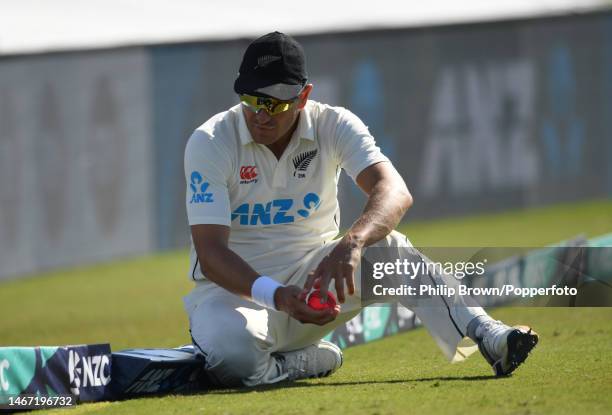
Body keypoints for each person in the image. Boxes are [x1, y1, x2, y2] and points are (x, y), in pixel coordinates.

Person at [182, 31, 538, 387]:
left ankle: (489, 335)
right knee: (234, 355)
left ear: (303, 96)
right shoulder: (211, 141)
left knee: (388, 248)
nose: (260, 114)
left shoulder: (334, 124)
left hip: (315, 284)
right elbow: (211, 255)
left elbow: (394, 190)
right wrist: (276, 296)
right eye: (250, 98)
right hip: (232, 296)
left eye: (274, 103)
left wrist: (353, 242)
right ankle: (296, 364)